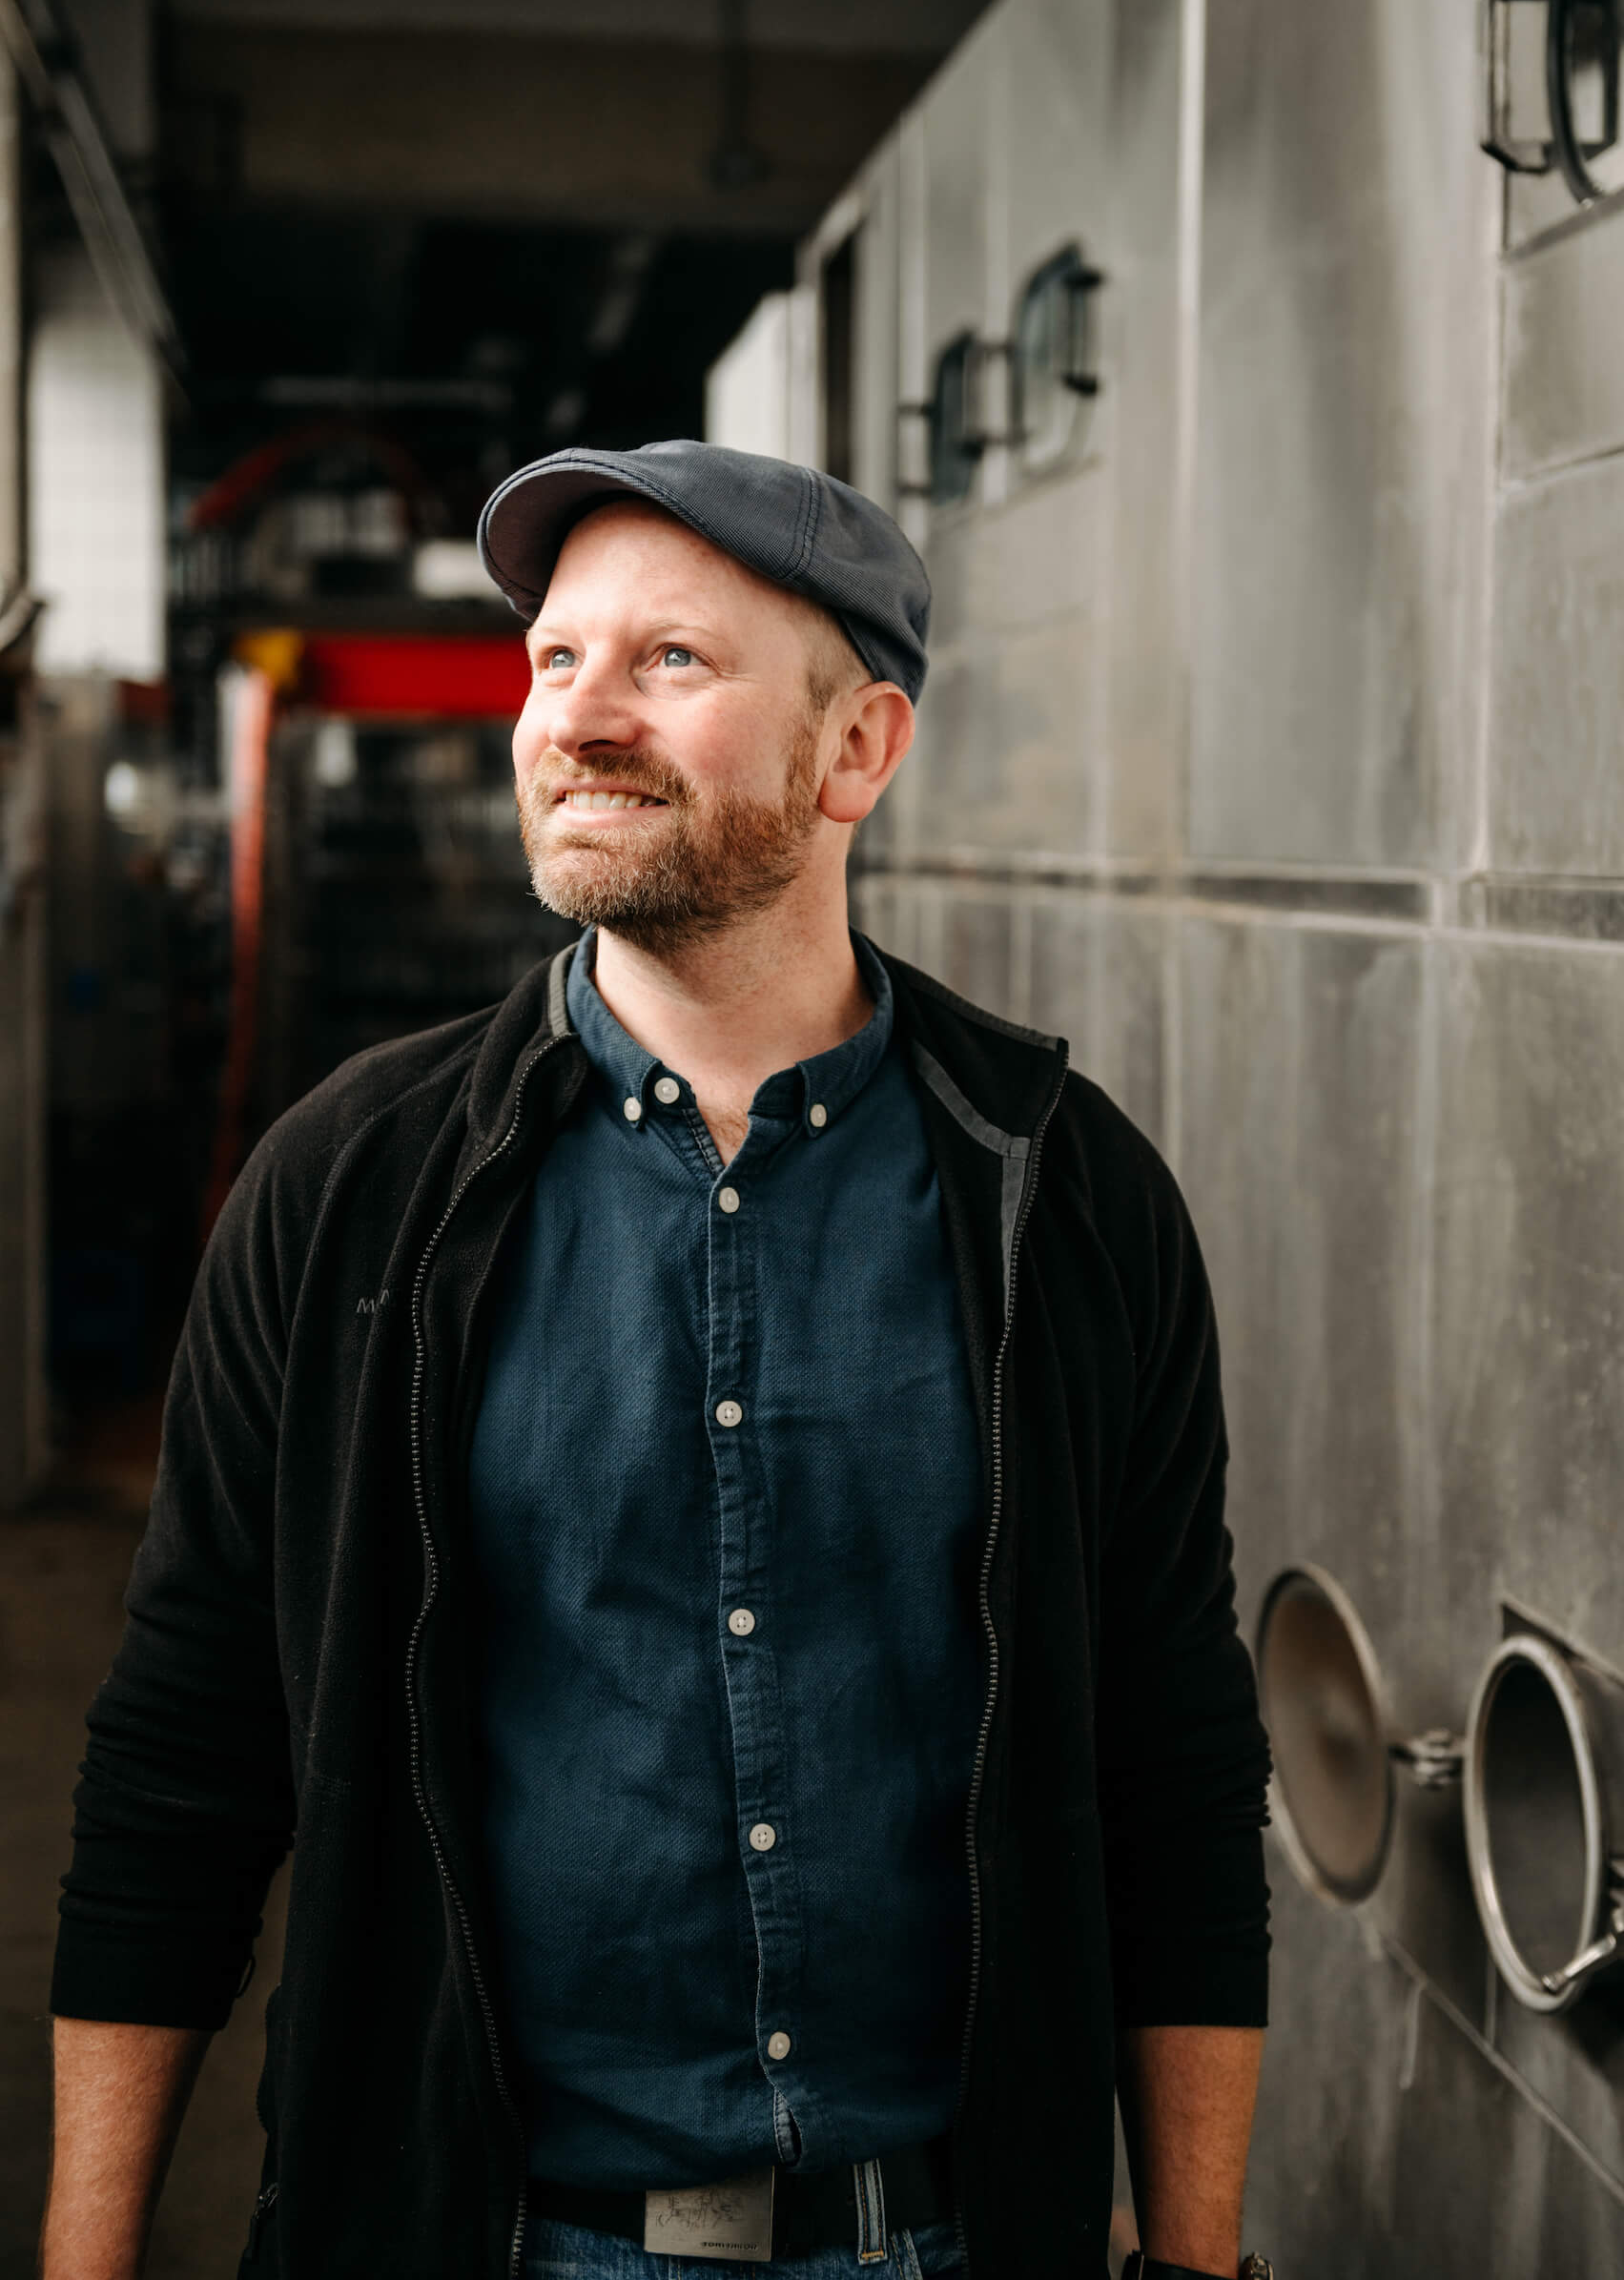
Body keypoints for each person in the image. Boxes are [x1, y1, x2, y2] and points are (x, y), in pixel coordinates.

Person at [43, 442, 1272, 2280]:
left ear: (858, 750)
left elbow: (1172, 1763)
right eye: (555, 660)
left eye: (672, 665)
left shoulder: (1063, 1197)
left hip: (936, 2238)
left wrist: (1194, 2258)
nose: (578, 718)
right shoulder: (349, 1196)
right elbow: (187, 1757)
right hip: (482, 2236)